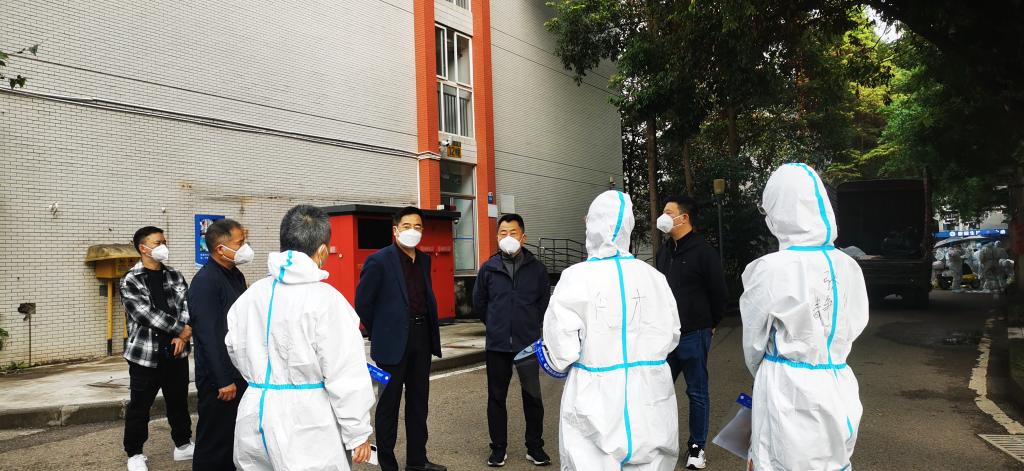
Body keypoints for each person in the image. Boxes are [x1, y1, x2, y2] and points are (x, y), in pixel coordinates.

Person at [225, 205, 375, 470]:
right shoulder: (326, 300)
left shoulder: (252, 295)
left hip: (255, 414)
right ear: (322, 251)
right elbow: (344, 372)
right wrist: (357, 431)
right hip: (308, 421)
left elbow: (234, 347)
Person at [740, 163, 868, 470]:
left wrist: (767, 372)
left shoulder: (769, 269)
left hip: (787, 387)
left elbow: (753, 344)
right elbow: (856, 322)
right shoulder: (848, 265)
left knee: (778, 461)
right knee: (834, 461)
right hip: (839, 381)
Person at [542, 190, 681, 471]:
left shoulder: (575, 278)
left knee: (590, 460)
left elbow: (561, 352)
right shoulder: (654, 277)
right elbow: (672, 334)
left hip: (595, 399)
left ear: (593, 225)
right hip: (649, 395)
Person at [355, 206, 447, 471]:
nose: (412, 231)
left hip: (421, 338)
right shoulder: (379, 260)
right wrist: (381, 330)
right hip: (392, 343)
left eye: (417, 227)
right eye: (407, 226)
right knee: (389, 406)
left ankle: (417, 461)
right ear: (395, 230)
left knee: (418, 404)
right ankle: (388, 464)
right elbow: (363, 303)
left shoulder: (424, 260)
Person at [654, 195, 728, 470]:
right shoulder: (664, 252)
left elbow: (719, 292)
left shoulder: (704, 252)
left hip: (695, 333)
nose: (663, 216)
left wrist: (711, 323)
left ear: (683, 218)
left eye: (668, 212)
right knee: (658, 390)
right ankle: (658, 442)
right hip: (666, 336)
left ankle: (697, 447)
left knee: (696, 392)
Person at [473, 213, 552, 467]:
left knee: (532, 396)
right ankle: (498, 448)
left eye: (513, 233)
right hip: (497, 345)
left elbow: (543, 303)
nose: (508, 237)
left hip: (527, 344)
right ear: (497, 237)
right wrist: (496, 324)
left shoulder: (537, 269)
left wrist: (529, 324)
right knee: (496, 398)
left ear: (523, 237)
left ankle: (535, 447)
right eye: (503, 233)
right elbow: (479, 303)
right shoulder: (489, 268)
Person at [121, 226, 195, 471]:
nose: (164, 246)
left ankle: (183, 444)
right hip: (145, 355)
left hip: (176, 351)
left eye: (164, 241)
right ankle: (134, 453)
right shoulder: (131, 279)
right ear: (143, 248)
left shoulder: (174, 275)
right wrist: (180, 330)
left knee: (178, 402)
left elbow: (187, 305)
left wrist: (182, 336)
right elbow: (145, 313)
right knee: (140, 407)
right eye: (158, 242)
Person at [188, 218, 251, 470]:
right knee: (215, 441)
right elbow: (208, 335)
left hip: (237, 371)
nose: (245, 248)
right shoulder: (206, 281)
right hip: (219, 378)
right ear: (220, 249)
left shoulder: (234, 275)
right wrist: (223, 379)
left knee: (232, 438)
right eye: (240, 243)